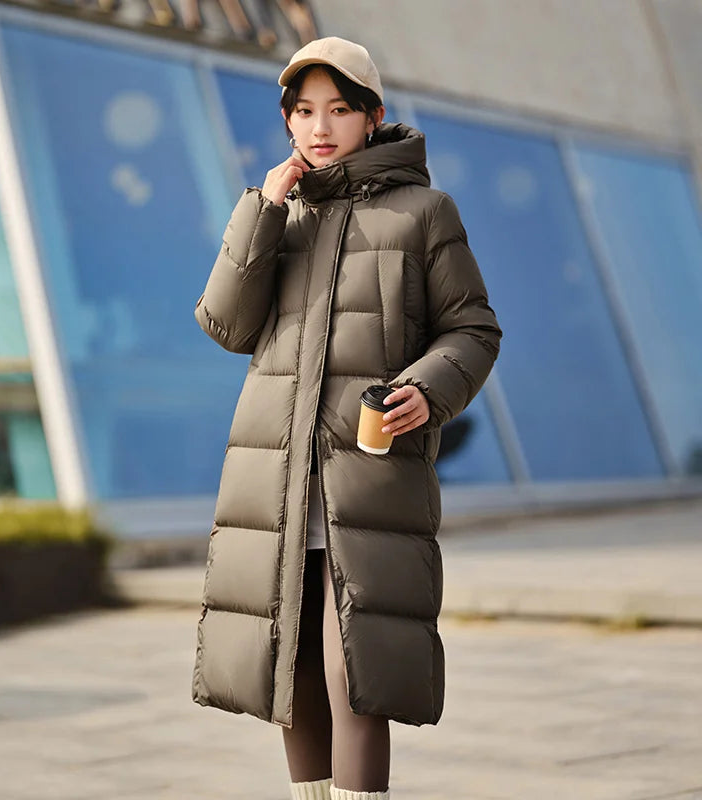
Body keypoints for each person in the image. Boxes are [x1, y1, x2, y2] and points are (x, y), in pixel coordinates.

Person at [191, 36, 503, 800]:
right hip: (277, 476)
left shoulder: (425, 213)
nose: (319, 126)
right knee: (291, 663)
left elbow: (473, 328)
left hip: (367, 476)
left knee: (352, 668)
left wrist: (430, 388)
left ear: (373, 117)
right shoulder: (280, 215)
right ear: (288, 122)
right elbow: (226, 327)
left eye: (337, 109)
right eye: (303, 111)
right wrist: (261, 209)